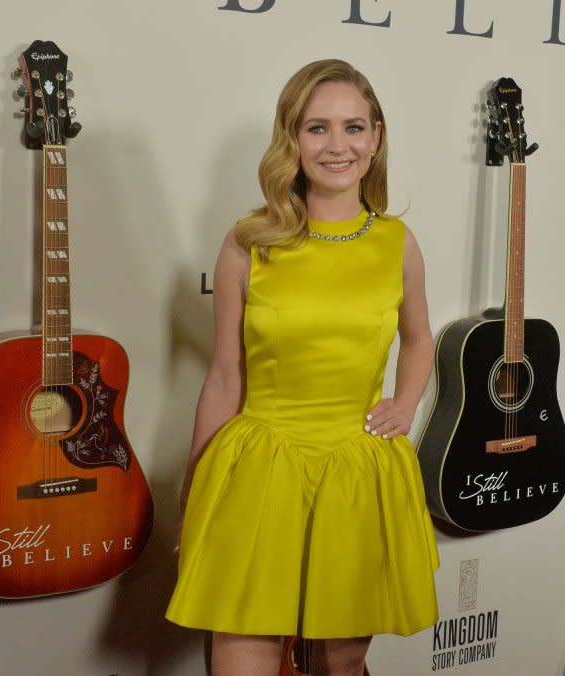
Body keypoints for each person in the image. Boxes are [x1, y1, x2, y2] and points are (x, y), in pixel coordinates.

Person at [166, 58, 438, 676]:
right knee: (243, 656)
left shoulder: (399, 244)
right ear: (292, 139)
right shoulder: (249, 241)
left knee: (341, 665)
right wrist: (194, 491)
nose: (337, 145)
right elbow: (224, 377)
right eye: (317, 128)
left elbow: (420, 339)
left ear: (375, 138)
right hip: (259, 469)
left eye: (353, 127)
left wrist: (405, 402)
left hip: (358, 474)